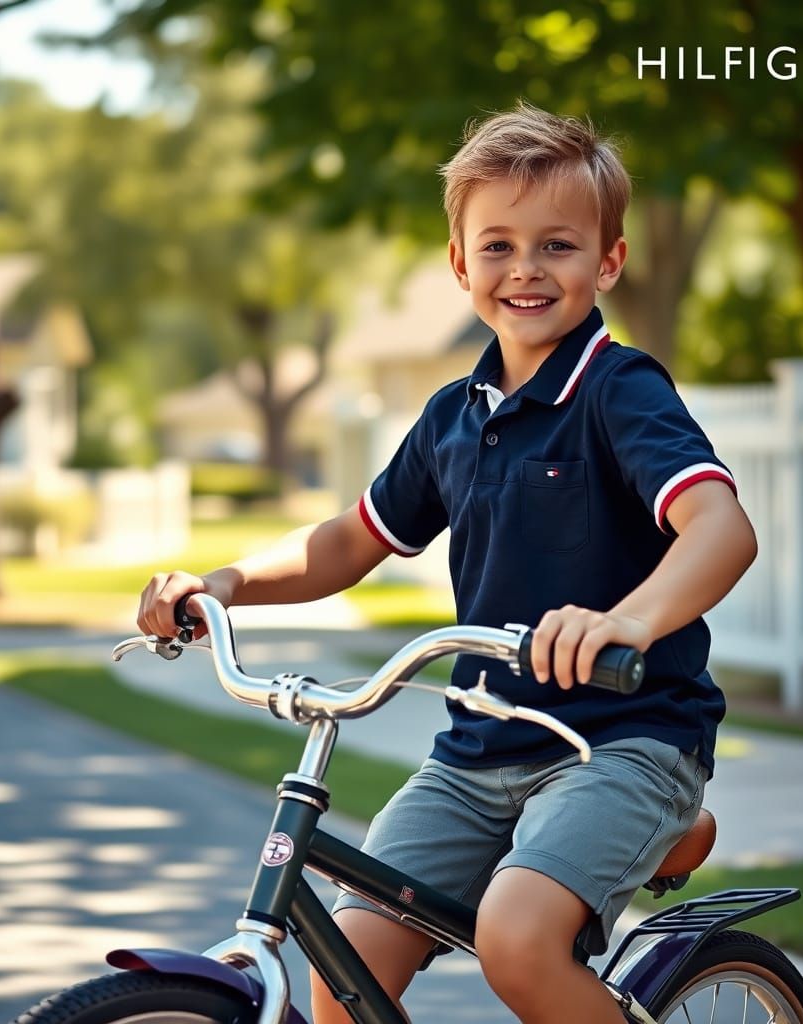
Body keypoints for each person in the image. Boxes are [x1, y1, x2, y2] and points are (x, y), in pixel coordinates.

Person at [137, 101, 758, 1024]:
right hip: (479, 748)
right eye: (498, 246)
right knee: (346, 972)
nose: (526, 270)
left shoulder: (620, 391)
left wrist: (625, 621)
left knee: (516, 940)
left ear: (609, 262)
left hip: (622, 738)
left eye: (557, 245)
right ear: (461, 264)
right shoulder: (452, 416)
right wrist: (224, 584)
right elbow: (349, 539)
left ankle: (654, 824)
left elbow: (721, 528)